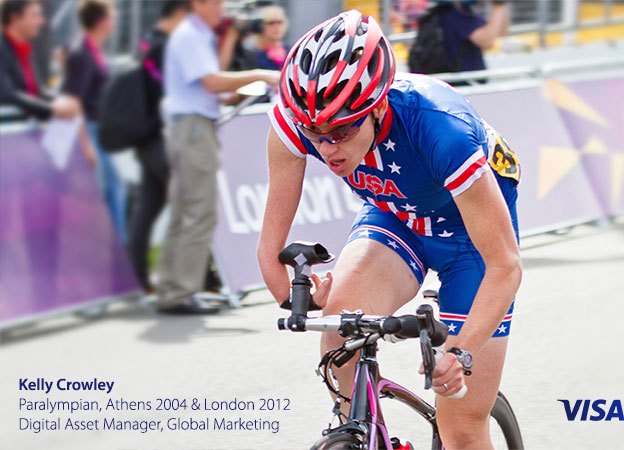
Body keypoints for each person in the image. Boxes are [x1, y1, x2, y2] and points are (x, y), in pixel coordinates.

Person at [256, 11, 521, 448]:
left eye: (341, 130)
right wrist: (296, 295)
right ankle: (356, 431)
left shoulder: (440, 129)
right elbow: (270, 254)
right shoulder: (293, 121)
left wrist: (460, 352)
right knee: (340, 323)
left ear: (377, 106)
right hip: (396, 215)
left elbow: (506, 266)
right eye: (314, 133)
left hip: (469, 238)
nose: (327, 147)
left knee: (460, 425)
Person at [157, 0, 280, 315]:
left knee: (187, 209)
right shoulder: (189, 35)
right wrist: (261, 75)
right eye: (216, 3)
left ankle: (174, 289)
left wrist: (231, 46)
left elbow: (215, 82)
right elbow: (211, 82)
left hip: (191, 126)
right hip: (193, 128)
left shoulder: (196, 35)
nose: (221, 10)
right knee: (199, 210)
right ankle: (181, 292)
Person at [126, 0, 189, 293]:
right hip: (159, 136)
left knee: (149, 206)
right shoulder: (165, 45)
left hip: (149, 135)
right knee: (188, 205)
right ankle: (177, 283)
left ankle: (138, 277)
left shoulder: (150, 41)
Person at [62, 0, 128, 243]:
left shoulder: (90, 50)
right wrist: (85, 143)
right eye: (112, 15)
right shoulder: (82, 53)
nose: (115, 20)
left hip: (97, 130)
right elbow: (72, 100)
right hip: (88, 131)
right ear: (102, 22)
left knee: (112, 190)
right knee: (106, 191)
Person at [0, 0, 79, 120]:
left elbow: (37, 91)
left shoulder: (25, 48)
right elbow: (6, 94)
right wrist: (51, 109)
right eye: (35, 16)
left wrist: (62, 102)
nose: (41, 21)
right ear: (15, 18)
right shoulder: (3, 48)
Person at [438, 0, 510, 73]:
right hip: (465, 80)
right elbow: (487, 41)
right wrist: (498, 4)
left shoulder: (461, 10)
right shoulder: (456, 13)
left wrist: (501, 4)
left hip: (467, 78)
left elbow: (500, 34)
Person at [252, 5, 288, 71]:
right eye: (271, 23)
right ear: (260, 26)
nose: (277, 27)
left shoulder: (293, 51)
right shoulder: (253, 54)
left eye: (280, 22)